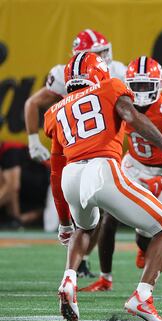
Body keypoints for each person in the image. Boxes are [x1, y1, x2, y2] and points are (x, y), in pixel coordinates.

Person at [46, 52, 162, 321]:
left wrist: (64, 222)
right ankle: (143, 296)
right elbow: (132, 116)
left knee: (85, 228)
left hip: (71, 177)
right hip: (102, 169)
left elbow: (56, 170)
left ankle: (69, 277)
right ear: (98, 74)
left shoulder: (56, 110)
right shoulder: (110, 87)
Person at [24, 28, 127, 278]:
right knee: (76, 209)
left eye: (104, 51)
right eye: (97, 53)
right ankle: (74, 256)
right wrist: (33, 140)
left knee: (98, 212)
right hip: (72, 147)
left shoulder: (118, 72)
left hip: (102, 147)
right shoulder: (63, 75)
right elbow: (32, 103)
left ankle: (79, 263)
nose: (103, 57)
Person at [79, 56, 162, 292]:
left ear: (159, 85)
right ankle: (105, 278)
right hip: (133, 165)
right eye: (135, 85)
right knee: (109, 216)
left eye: (146, 86)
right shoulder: (120, 103)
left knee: (148, 232)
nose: (140, 92)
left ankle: (143, 248)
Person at [0, 141, 49, 228]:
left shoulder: (10, 150)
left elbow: (12, 188)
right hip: (34, 203)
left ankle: (14, 219)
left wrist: (16, 219)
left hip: (50, 185)